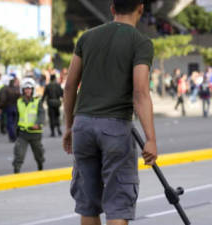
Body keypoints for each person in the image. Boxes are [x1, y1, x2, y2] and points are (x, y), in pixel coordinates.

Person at [62, 1, 158, 225]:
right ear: (140, 9)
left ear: (112, 9)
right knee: (117, 206)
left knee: (88, 205)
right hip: (115, 127)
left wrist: (69, 127)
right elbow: (140, 92)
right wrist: (150, 139)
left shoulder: (87, 37)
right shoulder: (140, 42)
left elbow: (69, 86)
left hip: (83, 126)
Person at [13, 78, 45, 173]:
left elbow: (41, 114)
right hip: (23, 133)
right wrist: (16, 131)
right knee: (19, 154)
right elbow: (17, 117)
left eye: (30, 88)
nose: (28, 90)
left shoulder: (37, 101)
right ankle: (16, 172)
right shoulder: (19, 102)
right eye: (26, 88)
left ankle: (40, 167)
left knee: (39, 155)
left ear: (32, 90)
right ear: (22, 90)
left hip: (35, 133)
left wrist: (38, 124)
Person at [0, 77, 20, 142]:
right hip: (15, 107)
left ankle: (13, 136)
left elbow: (3, 99)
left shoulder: (6, 89)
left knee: (10, 123)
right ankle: (15, 135)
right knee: (15, 122)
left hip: (8, 107)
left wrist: (0, 107)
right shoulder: (16, 89)